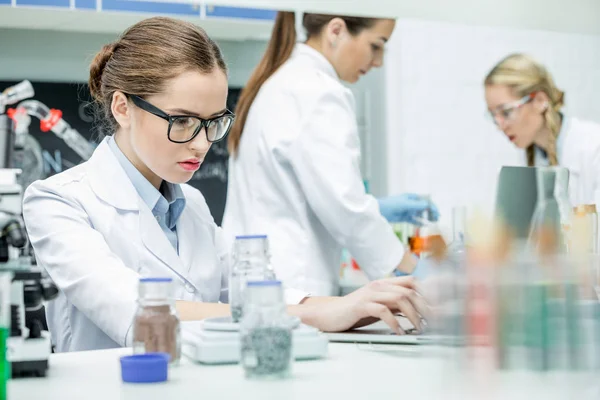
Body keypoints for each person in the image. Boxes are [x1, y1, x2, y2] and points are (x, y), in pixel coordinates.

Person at [22, 17, 428, 353]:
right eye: (181, 121)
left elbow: (255, 288)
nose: (202, 144)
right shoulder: (59, 202)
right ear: (123, 107)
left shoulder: (191, 203)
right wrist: (316, 314)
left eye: (213, 122)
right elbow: (140, 315)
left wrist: (354, 303)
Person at [222, 12, 438, 297]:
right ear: (335, 31)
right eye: (376, 45)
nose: (378, 62)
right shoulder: (318, 91)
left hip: (257, 281)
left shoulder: (280, 81)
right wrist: (406, 266)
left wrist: (374, 208)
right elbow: (345, 206)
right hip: (293, 287)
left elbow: (304, 193)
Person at [485, 53, 600, 206]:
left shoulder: (593, 147)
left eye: (506, 112)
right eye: (494, 115)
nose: (500, 125)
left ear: (540, 100)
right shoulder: (530, 154)